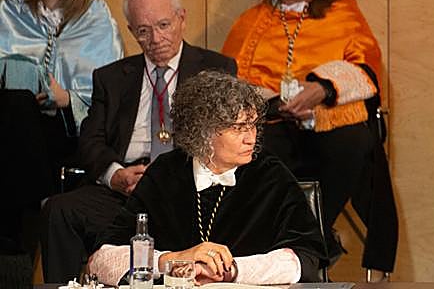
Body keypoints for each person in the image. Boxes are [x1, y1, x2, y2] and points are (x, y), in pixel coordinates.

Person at [221, 0, 396, 270]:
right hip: (270, 124)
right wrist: (271, 102)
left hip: (327, 125)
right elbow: (229, 84)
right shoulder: (251, 21)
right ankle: (306, 241)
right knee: (251, 148)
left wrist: (321, 89)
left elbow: (367, 72)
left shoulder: (344, 14)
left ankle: (307, 237)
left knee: (356, 141)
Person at [39, 0, 237, 283]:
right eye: (143, 31)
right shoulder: (111, 77)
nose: (156, 38)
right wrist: (116, 175)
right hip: (125, 193)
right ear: (131, 31)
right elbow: (90, 142)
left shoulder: (215, 68)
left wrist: (173, 175)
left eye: (163, 25)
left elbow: (226, 139)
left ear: (181, 18)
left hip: (186, 191)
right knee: (59, 209)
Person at [87, 70, 326, 285]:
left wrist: (231, 271)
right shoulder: (165, 174)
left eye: (253, 126)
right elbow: (103, 258)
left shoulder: (269, 175)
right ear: (203, 131)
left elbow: (304, 260)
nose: (251, 139)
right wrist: (174, 260)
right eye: (238, 128)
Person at [0, 0, 123, 256]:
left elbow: (110, 89)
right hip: (15, 124)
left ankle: (22, 221)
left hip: (71, 131)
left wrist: (67, 99)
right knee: (17, 104)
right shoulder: (10, 11)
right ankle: (40, 200)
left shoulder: (97, 19)